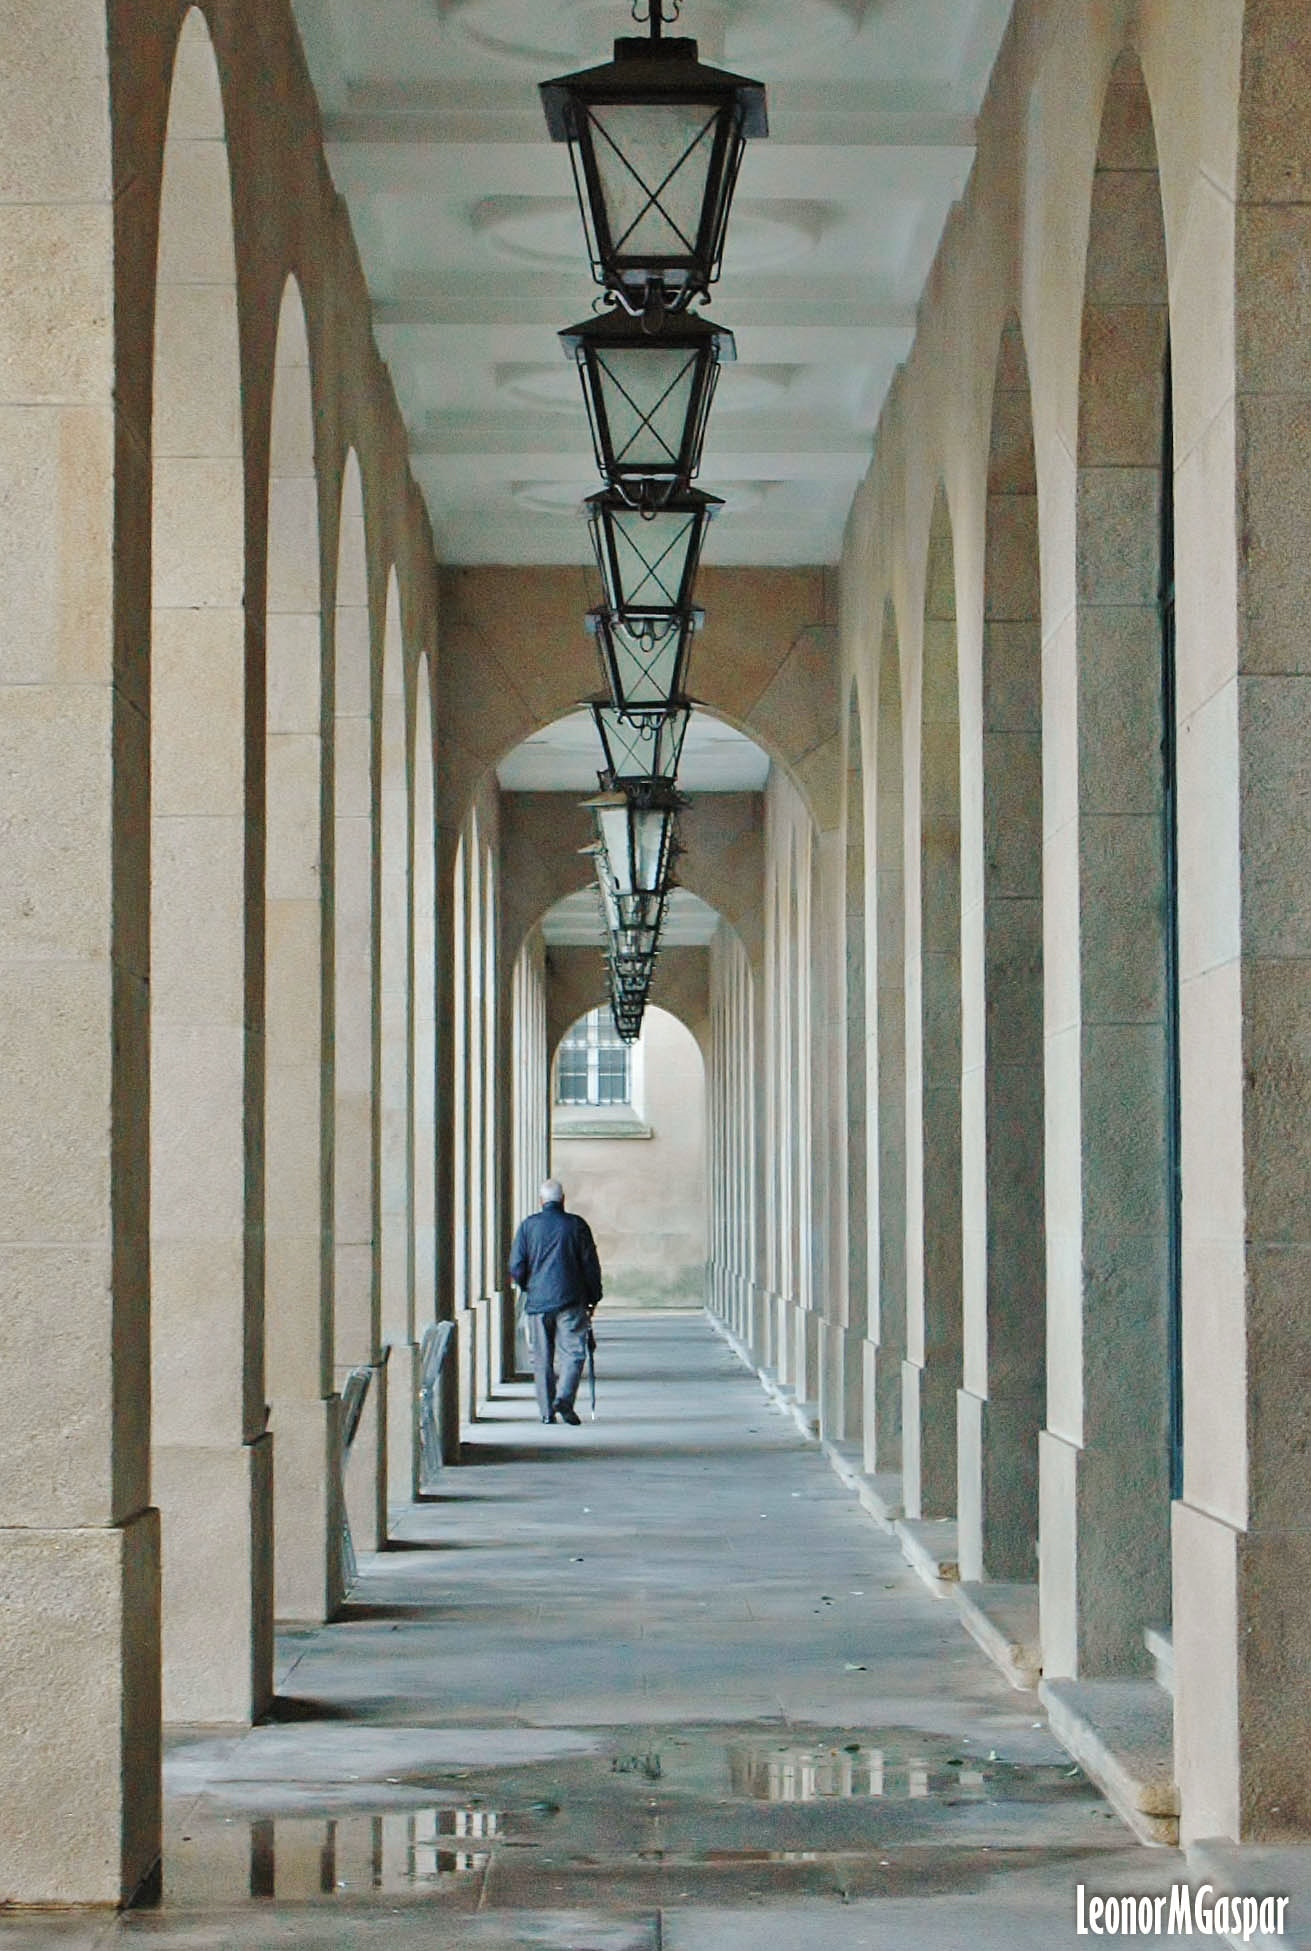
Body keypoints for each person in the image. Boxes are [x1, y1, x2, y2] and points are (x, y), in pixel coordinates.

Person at [509, 1179, 602, 1426]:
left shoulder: (529, 1226)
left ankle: (546, 1413)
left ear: (542, 1201)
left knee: (541, 1358)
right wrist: (594, 1297)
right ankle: (563, 1398)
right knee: (573, 1352)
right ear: (563, 1199)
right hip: (571, 1300)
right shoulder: (577, 1225)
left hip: (538, 1303)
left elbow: (516, 1265)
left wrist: (528, 1286)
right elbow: (590, 1265)